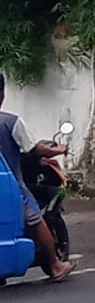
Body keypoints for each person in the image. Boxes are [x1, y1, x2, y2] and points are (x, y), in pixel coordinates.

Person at [0, 72, 75, 281]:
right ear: (2, 94)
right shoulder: (10, 122)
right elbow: (33, 149)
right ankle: (54, 265)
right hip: (10, 186)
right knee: (36, 219)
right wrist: (58, 150)